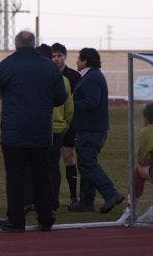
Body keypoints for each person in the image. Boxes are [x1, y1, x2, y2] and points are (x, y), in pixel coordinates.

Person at [0, 31, 67, 232]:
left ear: (16, 44)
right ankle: (46, 218)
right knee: (42, 177)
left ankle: (16, 219)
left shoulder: (7, 65)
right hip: (42, 132)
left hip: (14, 133)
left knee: (15, 178)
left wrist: (3, 92)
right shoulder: (49, 67)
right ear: (34, 44)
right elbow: (61, 98)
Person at [70, 47, 124, 213]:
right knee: (86, 163)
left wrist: (70, 106)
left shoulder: (91, 78)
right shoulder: (93, 76)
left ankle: (110, 193)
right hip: (93, 128)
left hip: (90, 129)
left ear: (85, 61)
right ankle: (86, 202)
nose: (77, 62)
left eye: (79, 59)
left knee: (87, 164)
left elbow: (92, 102)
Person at [25, 43, 74, 212]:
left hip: (41, 129)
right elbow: (70, 109)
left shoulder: (35, 80)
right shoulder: (64, 80)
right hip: (58, 129)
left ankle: (34, 199)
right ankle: (51, 201)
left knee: (34, 165)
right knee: (52, 166)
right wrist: (64, 124)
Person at [51, 43, 81, 208]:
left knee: (68, 158)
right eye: (53, 56)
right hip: (51, 126)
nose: (56, 59)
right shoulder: (47, 74)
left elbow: (75, 101)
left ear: (65, 56)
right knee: (52, 161)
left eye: (59, 56)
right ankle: (52, 197)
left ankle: (73, 196)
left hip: (68, 124)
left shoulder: (74, 76)